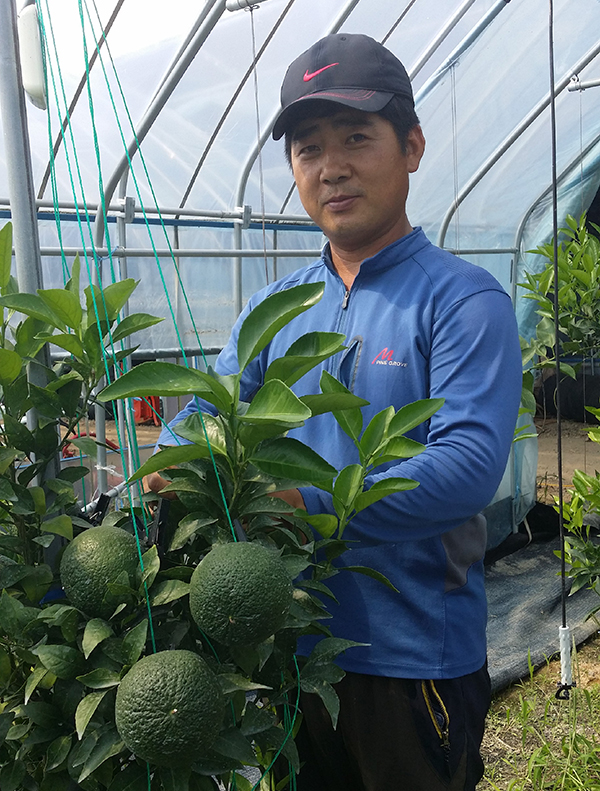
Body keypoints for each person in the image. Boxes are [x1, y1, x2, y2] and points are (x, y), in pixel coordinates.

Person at [148, 33, 522, 791]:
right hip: (286, 646)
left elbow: (466, 468)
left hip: (411, 661)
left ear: (411, 146)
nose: (331, 167)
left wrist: (305, 506)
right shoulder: (277, 308)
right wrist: (169, 465)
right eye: (308, 149)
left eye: (356, 138)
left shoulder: (461, 301)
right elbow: (203, 420)